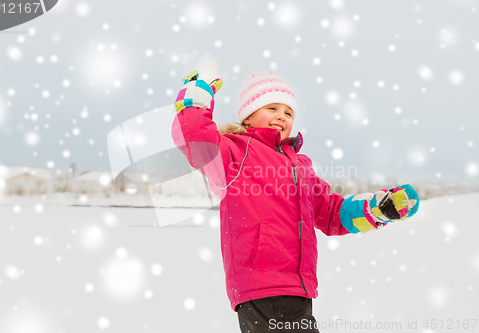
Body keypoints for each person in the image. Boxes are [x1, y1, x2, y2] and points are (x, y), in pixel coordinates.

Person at [171, 54, 420, 332]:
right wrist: (198, 91)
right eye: (272, 108)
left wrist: (377, 209)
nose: (281, 116)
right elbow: (194, 135)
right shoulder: (233, 154)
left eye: (288, 112)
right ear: (248, 115)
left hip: (298, 285)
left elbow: (331, 213)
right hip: (260, 284)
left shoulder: (300, 166)